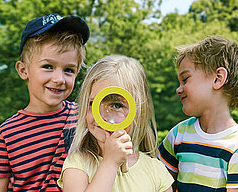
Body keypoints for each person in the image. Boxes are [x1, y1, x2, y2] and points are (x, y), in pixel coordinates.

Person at [0, 14, 89, 192]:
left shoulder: (84, 117)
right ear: (23, 70)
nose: (59, 79)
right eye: (48, 66)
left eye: (68, 70)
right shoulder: (5, 134)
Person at [158, 36, 238, 191]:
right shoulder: (178, 135)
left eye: (185, 79)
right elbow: (160, 182)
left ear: (218, 79)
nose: (178, 89)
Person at [58, 55, 173, 192]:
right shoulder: (77, 165)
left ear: (139, 112)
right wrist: (110, 163)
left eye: (117, 105)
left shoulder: (156, 171)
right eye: (93, 104)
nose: (102, 115)